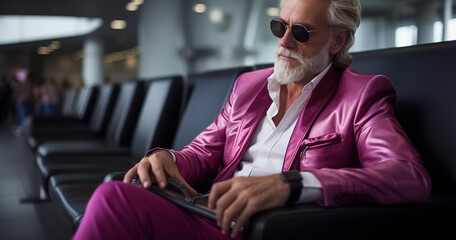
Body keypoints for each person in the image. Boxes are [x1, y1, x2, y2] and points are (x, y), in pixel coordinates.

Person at [73, 0, 431, 239]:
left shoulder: (361, 95)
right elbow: (202, 154)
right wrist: (168, 158)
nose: (284, 42)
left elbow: (408, 176)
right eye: (280, 26)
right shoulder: (249, 86)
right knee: (114, 196)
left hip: (270, 229)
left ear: (338, 41)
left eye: (302, 32)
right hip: (213, 215)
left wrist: (293, 185)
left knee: (111, 202)